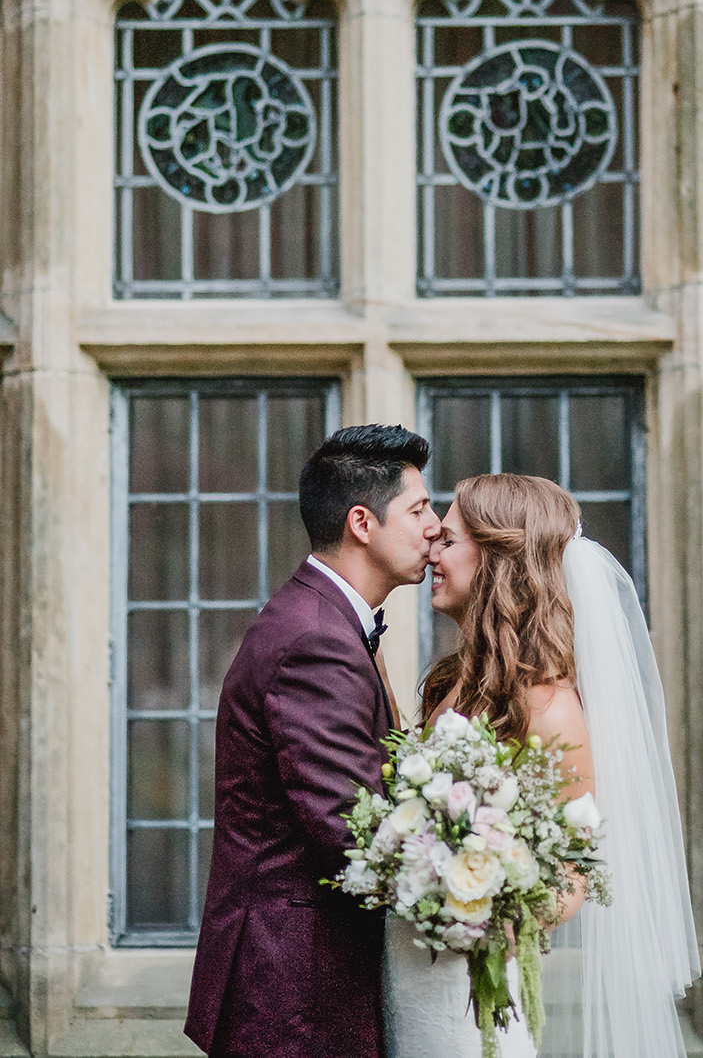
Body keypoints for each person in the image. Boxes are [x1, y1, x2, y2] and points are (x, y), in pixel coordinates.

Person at [383, 473, 700, 1058]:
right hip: (403, 973)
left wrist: (478, 904)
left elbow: (573, 874)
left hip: (467, 989)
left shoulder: (549, 708)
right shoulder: (447, 684)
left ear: (501, 560)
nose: (431, 551)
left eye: (448, 541)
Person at [185, 423, 441, 1058]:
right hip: (295, 990)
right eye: (419, 509)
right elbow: (353, 831)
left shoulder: (322, 620)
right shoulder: (315, 639)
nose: (434, 526)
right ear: (362, 521)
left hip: (303, 976)